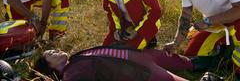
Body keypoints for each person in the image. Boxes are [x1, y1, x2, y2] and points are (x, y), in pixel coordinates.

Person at [34, 46, 194, 81]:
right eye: (50, 54)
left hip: (143, 56)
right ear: (50, 67)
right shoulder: (71, 75)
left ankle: (197, 63)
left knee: (189, 62)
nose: (55, 50)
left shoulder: (75, 60)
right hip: (141, 71)